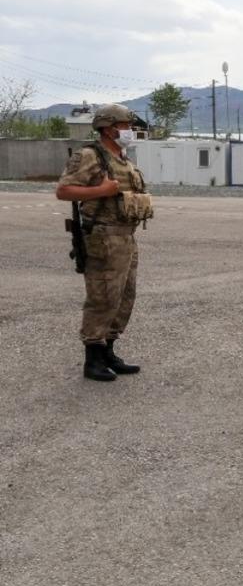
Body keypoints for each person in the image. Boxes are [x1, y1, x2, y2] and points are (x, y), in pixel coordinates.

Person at [55, 103, 154, 381]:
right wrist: (101, 190)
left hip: (125, 236)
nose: (130, 131)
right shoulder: (90, 155)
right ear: (110, 128)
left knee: (124, 296)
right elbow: (63, 190)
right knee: (103, 296)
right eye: (126, 126)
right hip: (103, 236)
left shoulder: (121, 157)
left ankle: (109, 350)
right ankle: (93, 358)